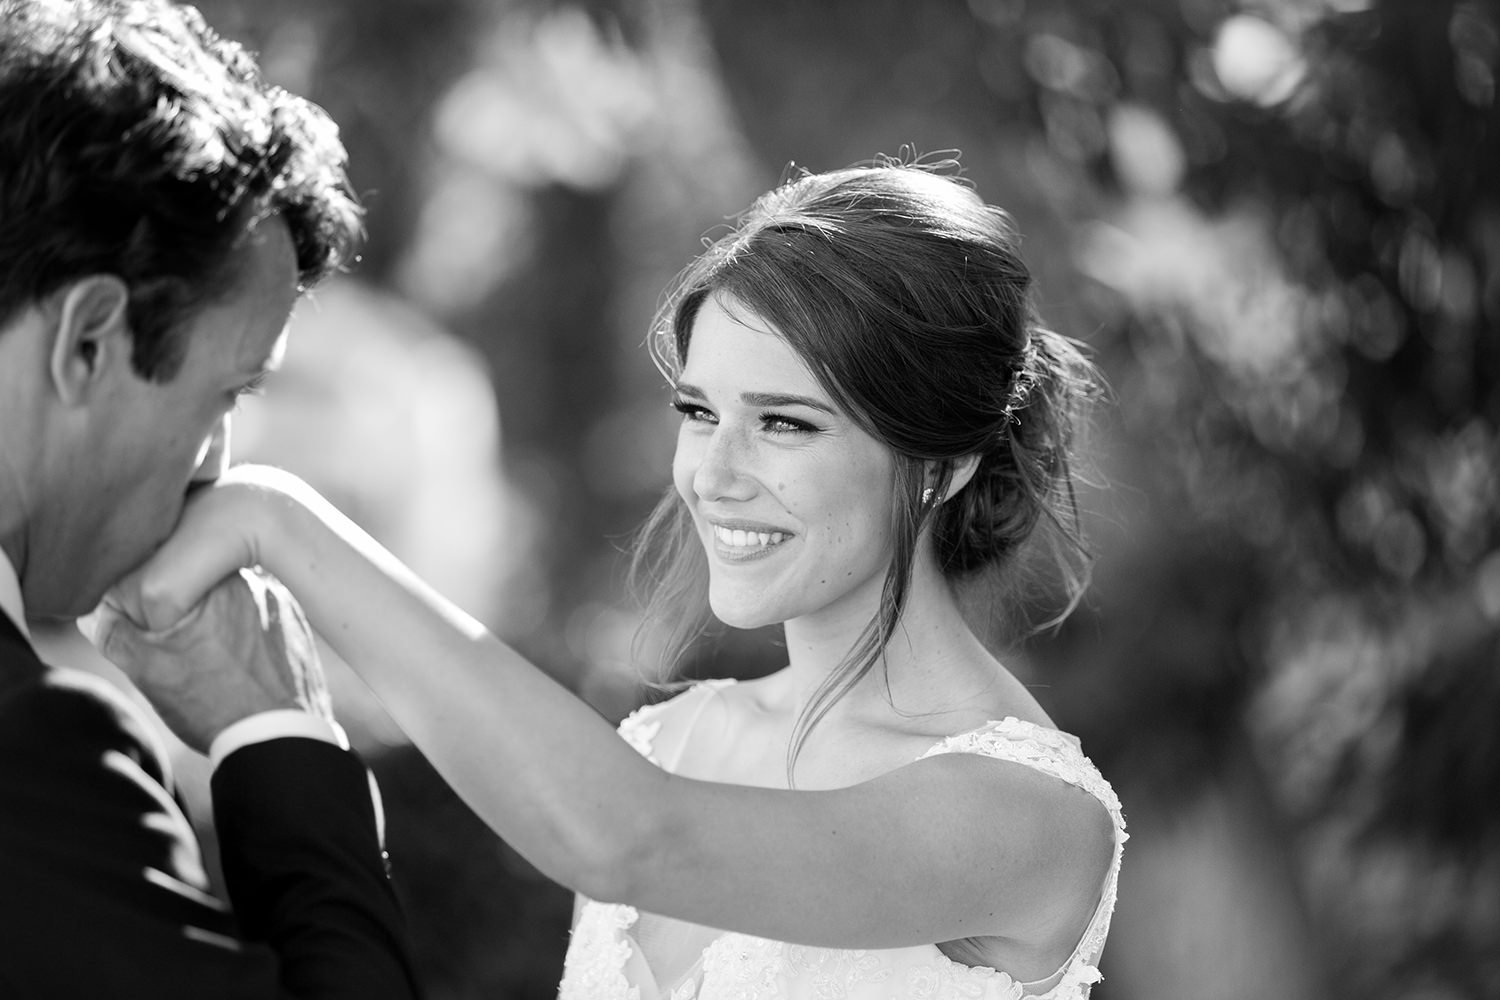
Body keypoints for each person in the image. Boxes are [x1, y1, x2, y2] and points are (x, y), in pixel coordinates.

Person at [102, 161, 1127, 999]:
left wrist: (279, 523)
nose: (714, 475)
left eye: (783, 422)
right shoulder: (675, 738)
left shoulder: (1028, 814)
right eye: (698, 411)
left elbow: (628, 838)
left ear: (941, 464)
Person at [0, 1, 421, 996]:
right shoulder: (32, 745)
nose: (214, 466)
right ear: (91, 340)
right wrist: (278, 732)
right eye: (227, 392)